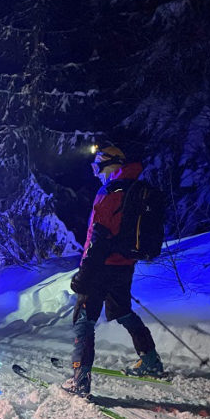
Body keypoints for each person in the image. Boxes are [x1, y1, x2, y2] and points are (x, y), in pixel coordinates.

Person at [62, 145, 163, 397]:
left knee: (84, 320)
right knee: (122, 311)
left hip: (100, 267)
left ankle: (80, 379)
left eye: (99, 166)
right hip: (124, 266)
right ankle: (150, 359)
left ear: (113, 165)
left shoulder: (110, 192)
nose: (97, 172)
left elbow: (98, 238)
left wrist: (84, 275)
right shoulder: (135, 189)